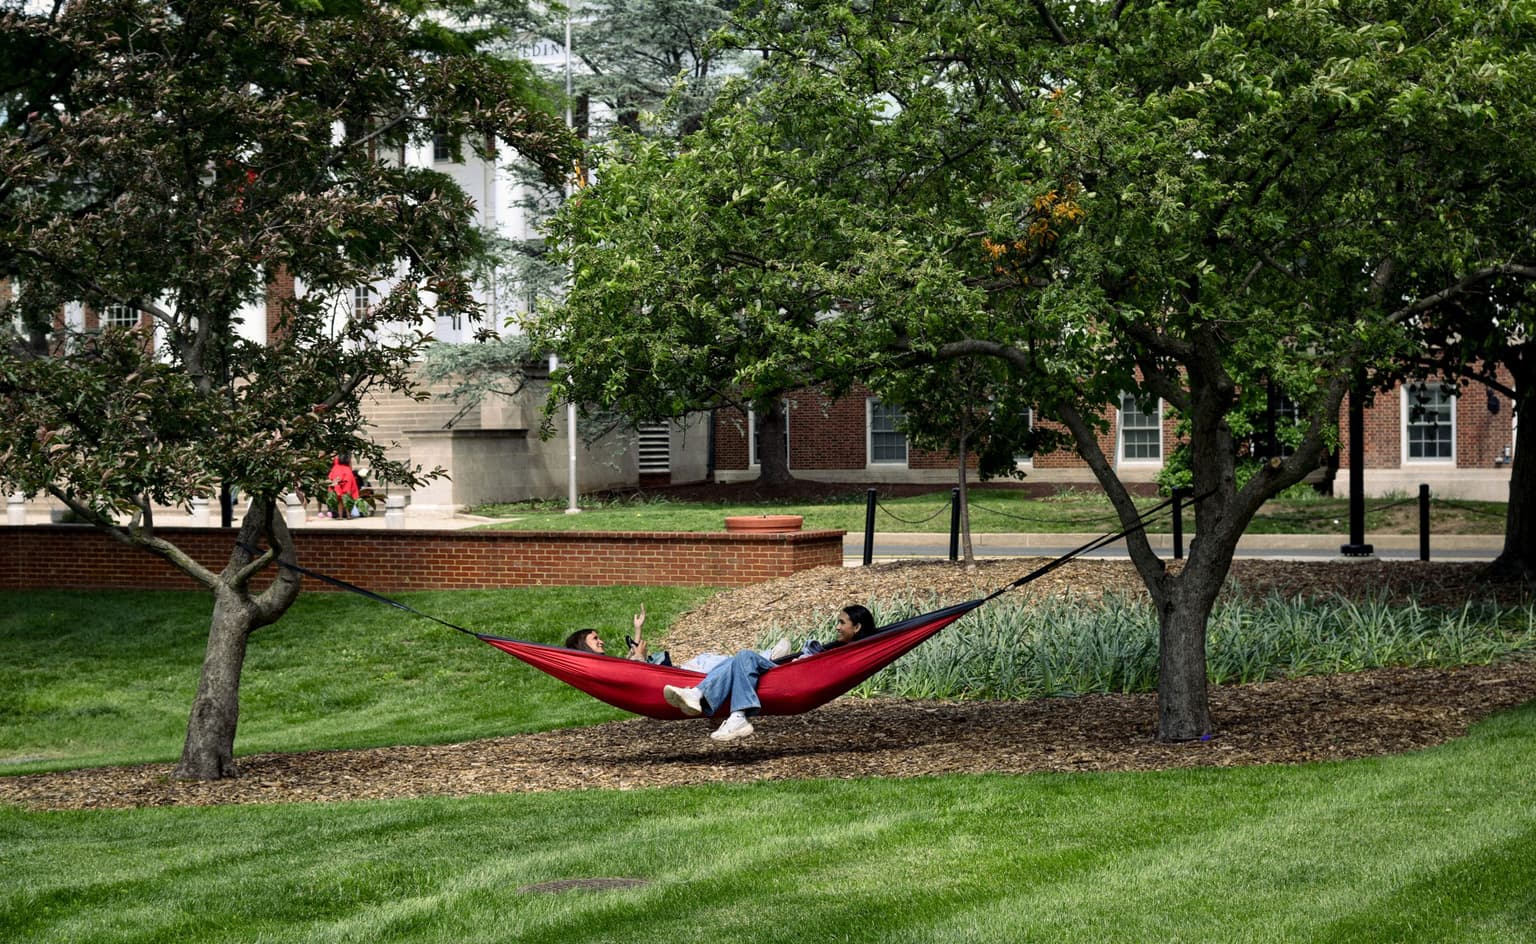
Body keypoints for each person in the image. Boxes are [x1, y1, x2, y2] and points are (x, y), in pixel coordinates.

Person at [663, 604, 878, 742]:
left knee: (745, 657)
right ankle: (708, 700)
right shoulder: (842, 648)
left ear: (857, 627)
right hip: (793, 672)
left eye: (842, 623)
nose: (837, 628)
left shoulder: (850, 652)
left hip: (795, 677)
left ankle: (710, 701)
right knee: (737, 662)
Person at [563, 605, 670, 664]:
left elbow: (627, 664)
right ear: (582, 645)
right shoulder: (596, 668)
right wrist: (639, 656)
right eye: (595, 639)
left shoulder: (602, 663)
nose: (602, 642)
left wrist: (638, 629)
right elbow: (631, 674)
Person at [325, 454, 362, 518]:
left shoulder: (335, 455)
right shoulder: (348, 455)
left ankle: (340, 516)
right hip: (347, 472)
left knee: (339, 496)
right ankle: (348, 515)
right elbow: (350, 466)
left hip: (337, 472)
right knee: (347, 495)